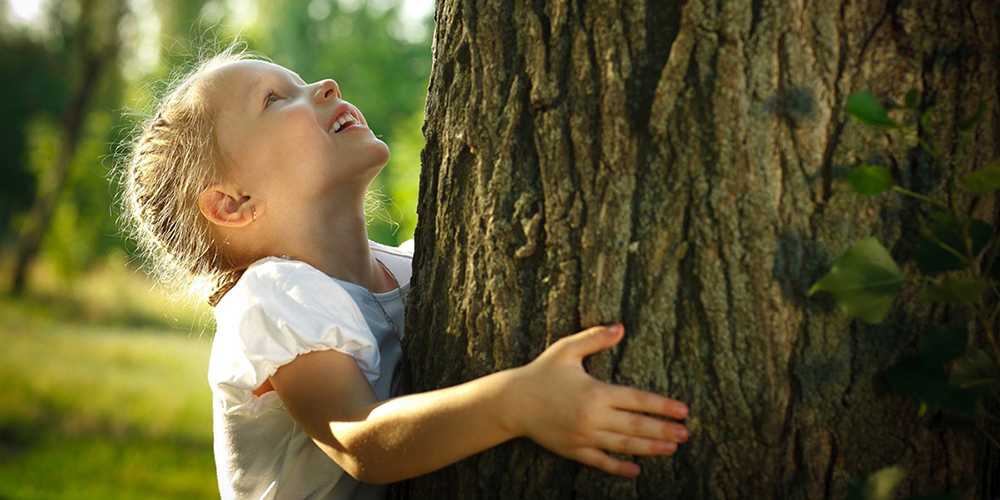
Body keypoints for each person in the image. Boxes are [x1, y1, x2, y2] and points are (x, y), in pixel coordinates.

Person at [117, 43, 690, 500]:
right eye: (274, 98)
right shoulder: (271, 299)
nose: (326, 86)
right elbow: (362, 442)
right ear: (234, 203)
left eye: (302, 81)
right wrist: (520, 402)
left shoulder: (417, 265)